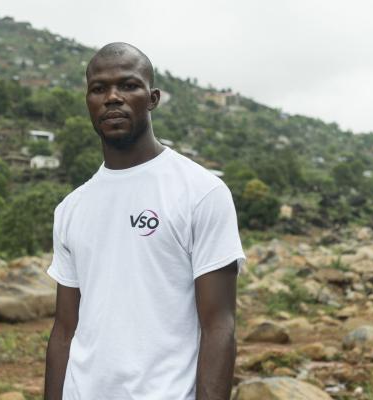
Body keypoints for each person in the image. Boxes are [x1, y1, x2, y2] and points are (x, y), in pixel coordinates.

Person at [44, 42, 246, 400]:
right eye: (99, 89)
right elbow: (64, 329)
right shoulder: (71, 208)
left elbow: (219, 326)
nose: (113, 97)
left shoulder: (200, 192)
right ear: (88, 101)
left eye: (128, 85)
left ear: (152, 98)